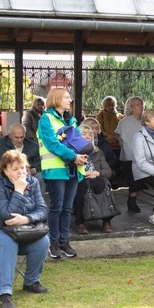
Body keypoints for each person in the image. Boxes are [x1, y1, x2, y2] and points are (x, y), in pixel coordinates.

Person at [0, 150, 50, 308]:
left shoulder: (33, 182)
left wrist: (27, 219)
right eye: (15, 169)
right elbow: (7, 216)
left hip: (22, 230)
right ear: (4, 170)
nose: (21, 172)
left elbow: (43, 210)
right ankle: (4, 294)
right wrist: (18, 191)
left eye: (23, 168)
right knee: (7, 243)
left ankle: (31, 282)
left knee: (43, 241)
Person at [38, 88, 87, 259]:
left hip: (72, 169)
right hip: (56, 170)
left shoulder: (71, 120)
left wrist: (83, 154)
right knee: (57, 207)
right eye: (66, 97)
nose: (70, 99)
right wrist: (74, 156)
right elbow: (52, 144)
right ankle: (53, 243)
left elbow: (79, 141)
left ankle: (64, 241)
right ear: (57, 98)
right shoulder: (46, 119)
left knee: (67, 208)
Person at [73, 122, 116, 234]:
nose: (87, 136)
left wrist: (97, 173)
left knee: (102, 183)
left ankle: (107, 222)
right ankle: (80, 222)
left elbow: (108, 171)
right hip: (80, 178)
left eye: (90, 134)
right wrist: (85, 173)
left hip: (96, 177)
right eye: (84, 133)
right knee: (81, 187)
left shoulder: (98, 152)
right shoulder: (72, 152)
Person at [115, 96, 145, 213]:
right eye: (137, 104)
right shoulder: (125, 122)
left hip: (144, 155)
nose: (141, 106)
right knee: (133, 177)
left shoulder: (144, 120)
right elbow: (124, 139)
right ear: (131, 108)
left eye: (141, 104)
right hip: (130, 156)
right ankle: (132, 199)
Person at [94, 95, 123, 162]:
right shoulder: (100, 116)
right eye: (108, 105)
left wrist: (118, 137)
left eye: (112, 105)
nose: (111, 107)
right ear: (104, 106)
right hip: (106, 144)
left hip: (119, 144)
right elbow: (99, 130)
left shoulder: (120, 116)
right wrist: (110, 137)